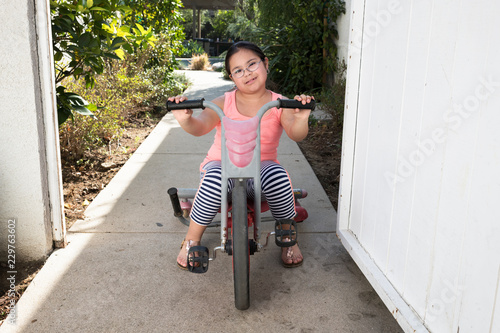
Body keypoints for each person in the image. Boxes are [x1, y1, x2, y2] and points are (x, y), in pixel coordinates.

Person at [168, 41, 314, 269]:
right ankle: (191, 238)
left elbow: (296, 134)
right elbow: (200, 126)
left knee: (277, 175)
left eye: (252, 64)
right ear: (231, 77)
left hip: (261, 170)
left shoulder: (279, 104)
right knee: (215, 178)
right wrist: (186, 119)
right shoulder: (222, 103)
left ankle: (287, 236)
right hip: (220, 166)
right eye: (238, 70)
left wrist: (302, 118)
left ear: (265, 64)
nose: (247, 73)